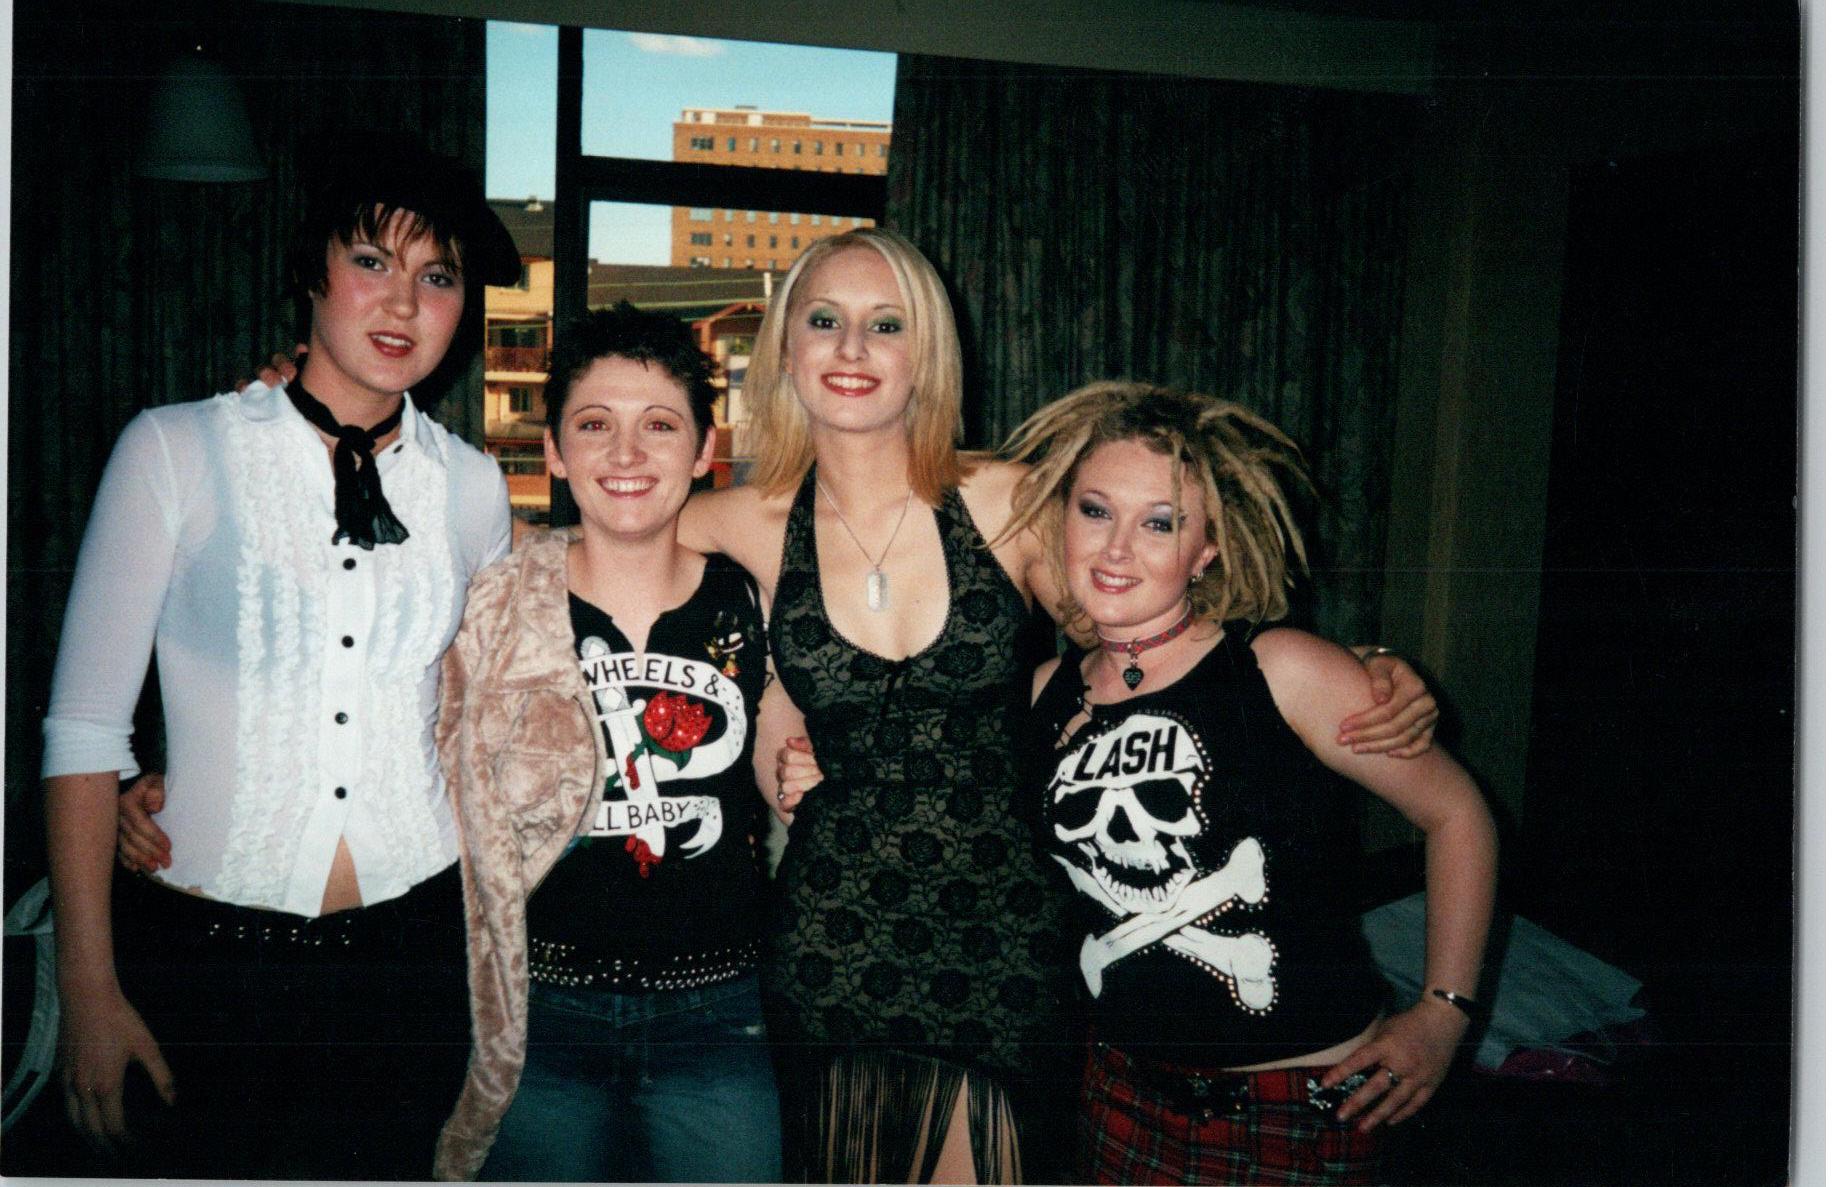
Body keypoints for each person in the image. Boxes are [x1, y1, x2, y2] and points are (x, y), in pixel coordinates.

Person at [676, 227, 1444, 1184]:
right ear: (785, 347)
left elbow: (1153, 624)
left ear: (928, 353)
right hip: (832, 934)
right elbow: (610, 563)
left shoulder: (1006, 500)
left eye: (888, 324)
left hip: (1007, 937)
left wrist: (1361, 668)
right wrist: (779, 718)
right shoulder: (738, 518)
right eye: (824, 320)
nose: (852, 348)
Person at [41, 143, 521, 1179]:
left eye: (438, 276)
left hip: (410, 961)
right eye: (370, 261)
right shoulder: (174, 448)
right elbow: (81, 728)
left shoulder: (475, 488)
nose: (404, 302)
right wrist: (88, 985)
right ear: (311, 272)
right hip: (203, 962)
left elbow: (481, 701)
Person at [1004, 381, 1497, 1186]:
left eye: (1159, 522)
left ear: (1207, 549)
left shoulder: (1281, 668)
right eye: (1095, 510)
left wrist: (1444, 1013)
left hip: (1300, 1107)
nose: (1117, 548)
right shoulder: (1039, 695)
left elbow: (1459, 813)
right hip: (1119, 1095)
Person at [430, 303, 798, 1183]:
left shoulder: (751, 600)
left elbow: (789, 749)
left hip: (721, 1014)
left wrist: (799, 773)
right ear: (554, 451)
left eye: (659, 425)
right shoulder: (496, 604)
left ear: (705, 449)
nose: (626, 454)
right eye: (594, 425)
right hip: (541, 1016)